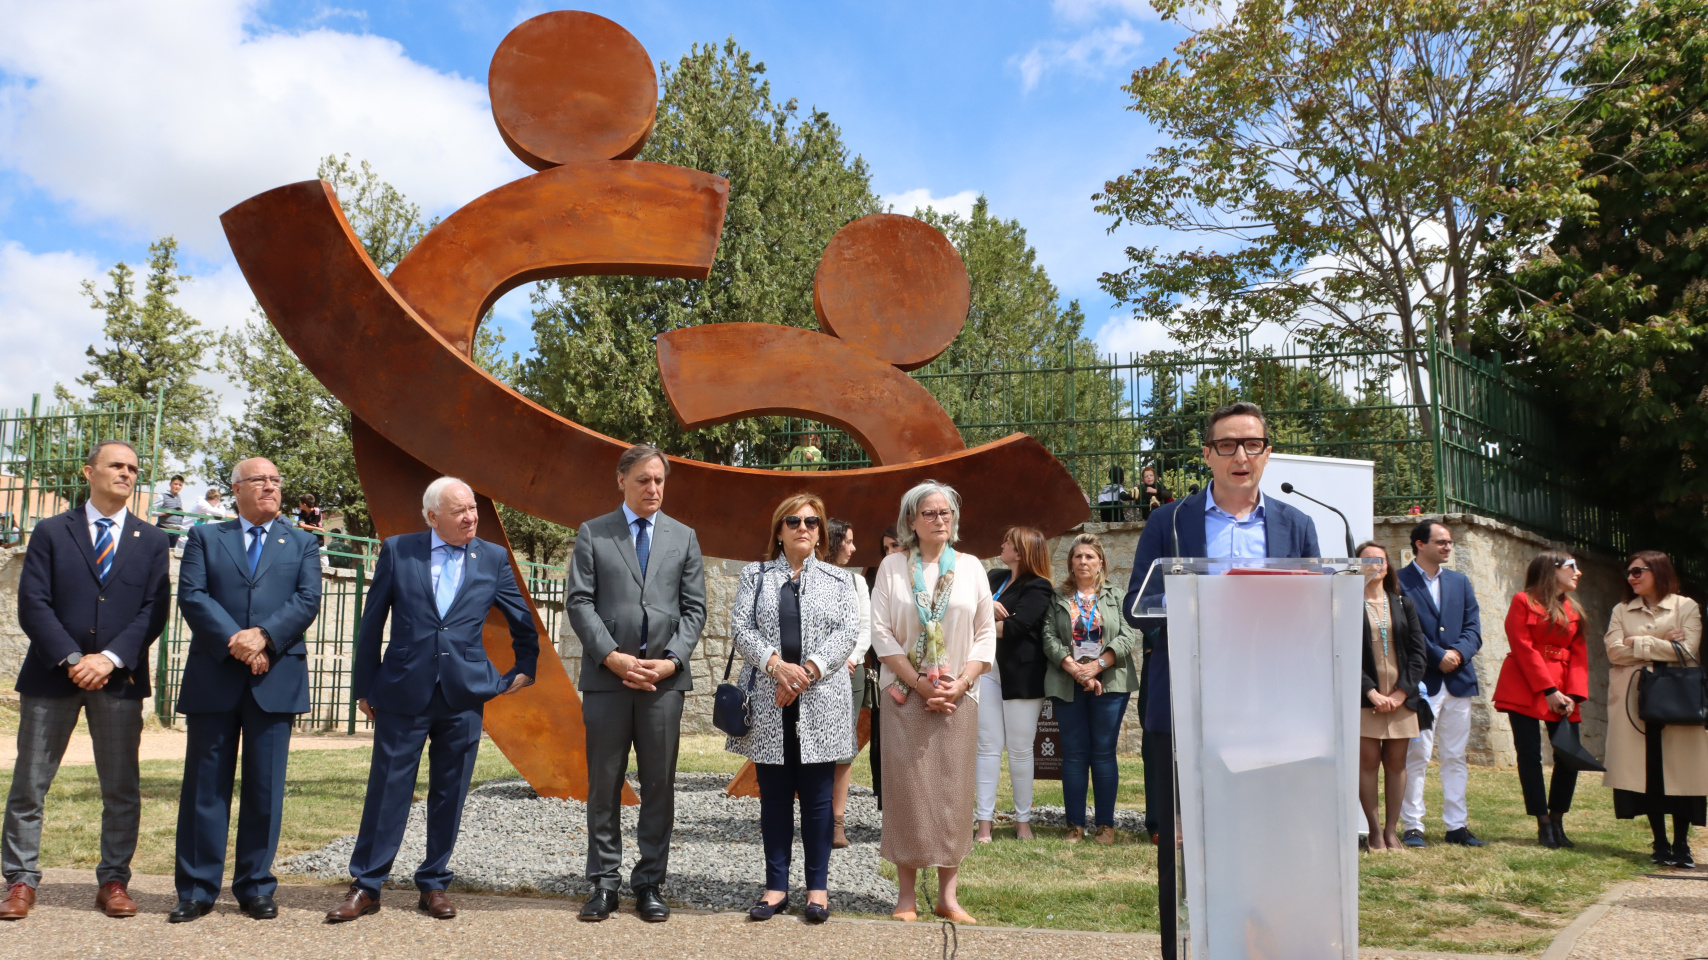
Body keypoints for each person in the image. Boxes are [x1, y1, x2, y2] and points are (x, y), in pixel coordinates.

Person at [1122, 401, 1319, 959]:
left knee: (1264, 833)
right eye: (1227, 445)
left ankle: (1263, 943)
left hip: (1269, 703)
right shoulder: (1172, 522)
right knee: (1186, 841)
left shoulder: (1295, 524)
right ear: (1207, 455)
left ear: (1267, 452)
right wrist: (1208, 606)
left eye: (1251, 444)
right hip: (1188, 697)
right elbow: (1139, 606)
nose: (1240, 456)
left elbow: (1313, 610)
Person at [325, 477, 538, 922]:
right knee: (387, 790)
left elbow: (522, 619)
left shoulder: (493, 558)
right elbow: (371, 622)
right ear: (432, 516)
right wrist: (365, 686)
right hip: (403, 692)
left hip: (463, 696)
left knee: (450, 792)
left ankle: (435, 883)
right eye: (460, 510)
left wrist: (523, 669)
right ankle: (367, 885)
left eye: (474, 509)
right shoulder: (399, 550)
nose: (471, 517)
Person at [2, 441, 170, 921]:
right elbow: (33, 602)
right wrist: (75, 658)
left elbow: (153, 611)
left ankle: (114, 880)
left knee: (120, 787)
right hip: (52, 674)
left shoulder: (152, 540)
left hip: (118, 681)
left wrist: (110, 659)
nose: (127, 474)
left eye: (134, 468)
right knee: (29, 785)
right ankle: (19, 881)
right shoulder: (52, 532)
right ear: (88, 472)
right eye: (116, 465)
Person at [170, 457, 322, 922]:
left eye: (277, 480)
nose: (271, 487)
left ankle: (255, 886)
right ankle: (197, 889)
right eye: (261, 480)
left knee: (265, 787)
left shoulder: (303, 542)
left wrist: (265, 638)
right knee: (205, 788)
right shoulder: (204, 537)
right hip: (215, 675)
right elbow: (193, 596)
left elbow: (307, 599)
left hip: (275, 677)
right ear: (236, 488)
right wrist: (239, 642)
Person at [567, 443, 706, 922]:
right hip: (608, 682)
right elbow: (579, 603)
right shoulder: (594, 534)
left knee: (659, 785)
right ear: (621, 480)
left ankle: (649, 883)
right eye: (644, 480)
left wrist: (671, 662)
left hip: (663, 685)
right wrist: (612, 658)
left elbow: (694, 610)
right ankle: (603, 884)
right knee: (604, 784)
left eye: (660, 481)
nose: (653, 488)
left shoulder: (684, 537)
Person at [726, 494, 859, 923]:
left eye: (812, 522)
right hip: (769, 701)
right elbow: (741, 628)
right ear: (778, 531)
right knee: (775, 801)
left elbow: (846, 633)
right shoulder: (756, 575)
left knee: (819, 802)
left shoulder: (840, 581)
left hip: (820, 702)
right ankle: (776, 887)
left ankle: (817, 890)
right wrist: (777, 668)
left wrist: (805, 673)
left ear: (821, 532)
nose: (803, 527)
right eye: (793, 521)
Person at [869, 480, 994, 925]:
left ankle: (948, 896)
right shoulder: (892, 568)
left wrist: (959, 684)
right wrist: (920, 684)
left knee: (951, 794)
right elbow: (881, 633)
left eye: (946, 513)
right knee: (906, 793)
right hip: (906, 697)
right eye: (930, 514)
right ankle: (905, 896)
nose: (940, 520)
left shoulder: (972, 567)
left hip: (957, 697)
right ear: (910, 521)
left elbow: (985, 632)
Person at [1604, 550, 1705, 867]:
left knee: (1680, 773)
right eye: (1628, 572)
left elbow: (1688, 652)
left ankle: (1682, 846)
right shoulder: (1621, 609)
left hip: (1676, 697)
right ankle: (1660, 844)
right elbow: (1613, 652)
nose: (1631, 577)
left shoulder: (1686, 606)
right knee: (1648, 773)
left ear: (1658, 571)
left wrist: (1637, 642)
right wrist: (1664, 641)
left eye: (1638, 571)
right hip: (1635, 699)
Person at [1042, 533, 1137, 844]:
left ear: (1101, 564)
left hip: (1109, 683)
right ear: (1070, 563)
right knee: (1073, 754)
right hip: (1067, 681)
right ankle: (1075, 825)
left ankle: (1105, 825)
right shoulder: (1057, 598)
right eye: (1078, 556)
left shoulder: (1118, 596)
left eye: (1090, 557)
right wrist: (1076, 669)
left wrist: (1097, 666)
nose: (1083, 561)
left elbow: (1127, 637)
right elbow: (1048, 639)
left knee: (1104, 753)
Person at [1398, 519, 1486, 848]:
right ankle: (1413, 826)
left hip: (1459, 681)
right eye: (1441, 542)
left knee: (1455, 756)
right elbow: (1405, 629)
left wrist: (1458, 654)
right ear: (1420, 544)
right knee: (1417, 755)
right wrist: (1437, 655)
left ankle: (1457, 826)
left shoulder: (1460, 582)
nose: (1447, 547)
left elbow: (1474, 628)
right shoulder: (1402, 581)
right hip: (1423, 682)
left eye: (1449, 542)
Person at [1493, 550, 1588, 849]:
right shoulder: (1523, 601)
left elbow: (1580, 655)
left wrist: (1572, 695)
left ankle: (1558, 818)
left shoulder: (1574, 609)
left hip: (1564, 688)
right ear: (1552, 569)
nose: (1578, 572)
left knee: (1568, 757)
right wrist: (1547, 690)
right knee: (1530, 756)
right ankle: (1543, 823)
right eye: (1572, 567)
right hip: (1525, 685)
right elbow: (1521, 645)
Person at [975, 526, 1053, 843]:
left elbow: (1017, 626)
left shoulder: (1039, 586)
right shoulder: (993, 577)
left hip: (1022, 677)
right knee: (987, 748)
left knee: (1020, 751)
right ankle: (983, 825)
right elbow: (965, 605)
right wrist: (984, 609)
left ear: (1020, 551)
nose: (1002, 544)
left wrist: (979, 619)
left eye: (1008, 541)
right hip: (986, 670)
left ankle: (1023, 823)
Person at [1356, 541, 1428, 851]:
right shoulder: (1347, 605)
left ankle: (1391, 831)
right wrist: (1370, 692)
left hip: (1401, 698)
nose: (1374, 565)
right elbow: (1343, 654)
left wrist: (1401, 693)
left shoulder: (1403, 604)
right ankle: (1373, 832)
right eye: (1366, 560)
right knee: (1368, 763)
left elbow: (1418, 653)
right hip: (1366, 699)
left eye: (1379, 560)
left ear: (1388, 566)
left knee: (1397, 764)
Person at [825, 518, 872, 850]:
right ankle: (810, 817)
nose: (854, 549)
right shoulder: (808, 578)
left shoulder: (857, 583)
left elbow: (865, 628)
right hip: (809, 674)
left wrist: (849, 657)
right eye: (849, 542)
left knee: (843, 750)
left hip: (849, 671)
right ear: (833, 543)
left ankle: (836, 823)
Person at [151, 474, 191, 548]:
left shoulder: (179, 497)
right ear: (170, 484)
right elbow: (149, 512)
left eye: (180, 485)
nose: (177, 487)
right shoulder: (162, 496)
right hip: (164, 529)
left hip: (176, 531)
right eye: (175, 484)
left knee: (171, 554)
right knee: (161, 551)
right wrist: (164, 513)